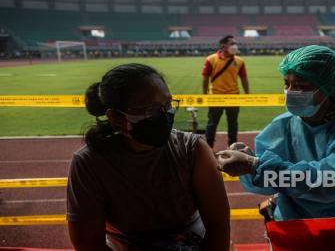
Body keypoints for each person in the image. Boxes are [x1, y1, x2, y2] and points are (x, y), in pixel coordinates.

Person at [217, 45, 335, 221]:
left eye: (302, 86)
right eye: (287, 84)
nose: (291, 92)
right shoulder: (283, 126)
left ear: (327, 88)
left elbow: (331, 182)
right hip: (297, 221)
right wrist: (248, 163)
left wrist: (255, 165)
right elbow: (267, 182)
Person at [67, 63, 230, 251]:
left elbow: (218, 225)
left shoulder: (193, 149)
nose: (164, 114)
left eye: (168, 104)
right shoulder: (89, 163)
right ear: (116, 118)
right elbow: (87, 244)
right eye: (150, 110)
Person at [201, 35, 249, 148]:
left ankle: (232, 147)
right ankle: (208, 147)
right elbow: (205, 77)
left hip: (233, 96)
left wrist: (247, 95)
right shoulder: (211, 59)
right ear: (223, 46)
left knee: (233, 124)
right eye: (232, 43)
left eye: (235, 43)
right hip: (215, 97)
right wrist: (204, 95)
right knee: (212, 124)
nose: (235, 46)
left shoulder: (239, 61)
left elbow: (244, 78)